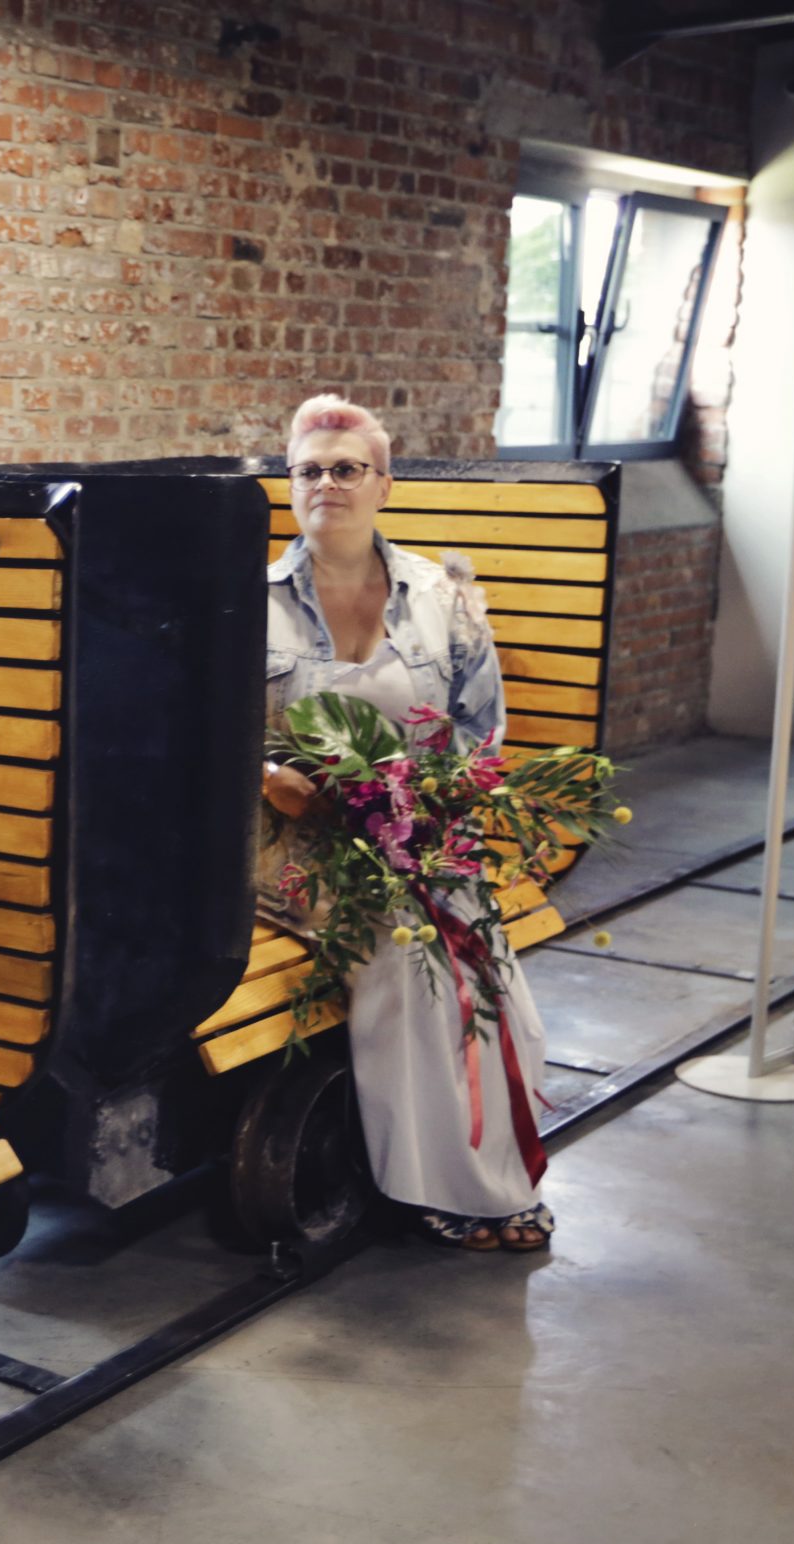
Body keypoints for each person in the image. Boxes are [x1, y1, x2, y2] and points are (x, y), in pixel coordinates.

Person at [256, 395, 555, 1254]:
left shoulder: (439, 598)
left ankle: (497, 1173)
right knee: (405, 951)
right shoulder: (250, 602)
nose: (327, 484)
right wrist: (265, 776)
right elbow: (200, 731)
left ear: (384, 484)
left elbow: (480, 730)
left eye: (348, 468)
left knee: (483, 959)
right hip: (287, 844)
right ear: (291, 485)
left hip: (412, 831)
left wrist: (428, 808)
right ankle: (435, 1185)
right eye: (310, 470)